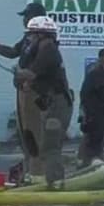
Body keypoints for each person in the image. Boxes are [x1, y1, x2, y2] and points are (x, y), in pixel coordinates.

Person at [0, 1, 48, 177]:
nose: (24, 20)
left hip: (34, 93)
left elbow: (40, 69)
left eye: (27, 17)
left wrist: (23, 74)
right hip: (23, 91)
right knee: (25, 133)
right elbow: (12, 52)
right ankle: (29, 169)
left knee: (34, 133)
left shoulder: (44, 41)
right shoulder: (29, 38)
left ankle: (37, 173)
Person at [13, 15, 72, 187]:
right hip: (51, 102)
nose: (28, 38)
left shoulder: (48, 49)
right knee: (42, 143)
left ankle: (56, 183)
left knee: (50, 145)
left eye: (31, 34)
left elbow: (31, 73)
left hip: (57, 105)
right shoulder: (43, 47)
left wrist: (19, 73)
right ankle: (45, 181)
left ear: (41, 34)